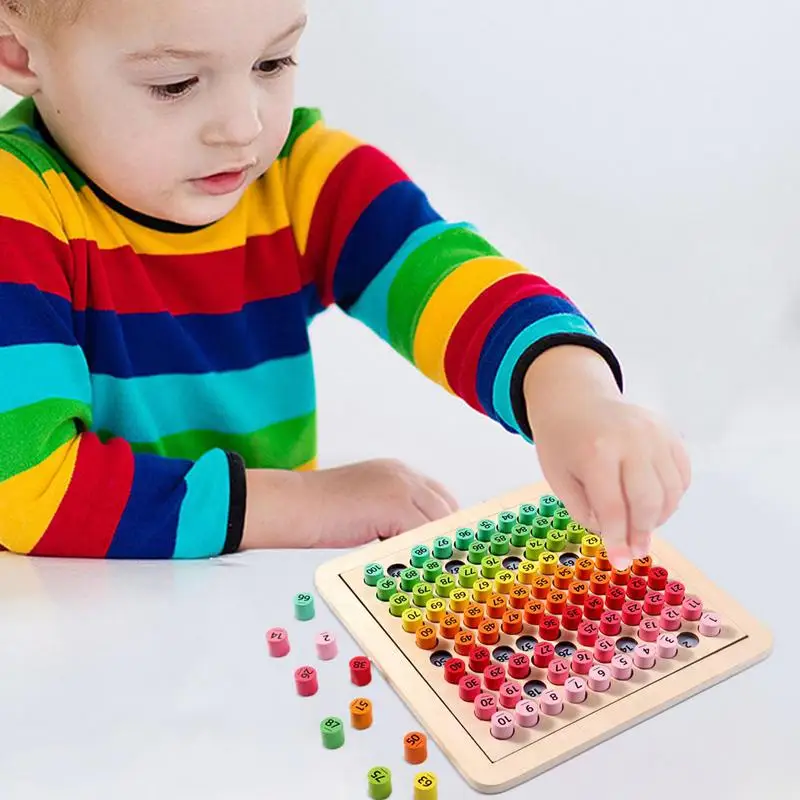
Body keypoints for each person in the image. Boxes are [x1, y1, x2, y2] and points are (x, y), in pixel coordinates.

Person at [0, 0, 690, 567]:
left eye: (272, 62)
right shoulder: (18, 208)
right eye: (175, 84)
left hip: (251, 610)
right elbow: (29, 491)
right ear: (19, 52)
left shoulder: (298, 177)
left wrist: (571, 393)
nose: (245, 127)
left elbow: (443, 271)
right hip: (88, 653)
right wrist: (315, 506)